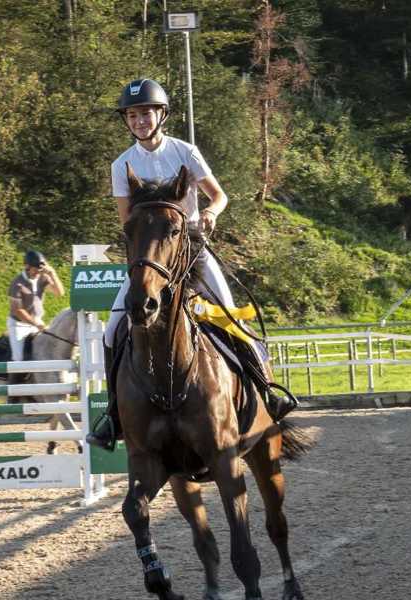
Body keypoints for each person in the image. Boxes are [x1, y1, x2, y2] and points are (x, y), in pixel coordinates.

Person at [88, 78, 295, 451]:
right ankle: (114, 414)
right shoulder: (122, 164)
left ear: (161, 115)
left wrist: (211, 213)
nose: (139, 121)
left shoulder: (185, 151)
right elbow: (126, 220)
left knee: (233, 319)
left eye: (146, 113)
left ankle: (267, 394)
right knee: (111, 330)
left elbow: (219, 196)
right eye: (133, 115)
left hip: (193, 254)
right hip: (152, 260)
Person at [7, 249, 65, 365]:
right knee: (18, 359)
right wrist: (36, 324)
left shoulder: (42, 278)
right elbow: (18, 310)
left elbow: (59, 293)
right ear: (27, 266)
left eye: (40, 270)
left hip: (38, 322)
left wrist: (52, 274)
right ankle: (15, 382)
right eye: (35, 269)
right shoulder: (17, 284)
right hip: (19, 325)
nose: (38, 273)